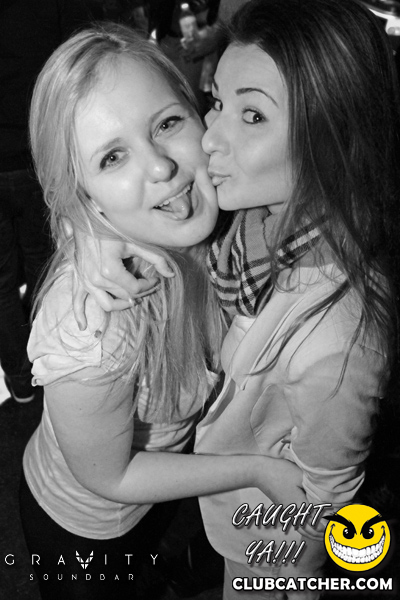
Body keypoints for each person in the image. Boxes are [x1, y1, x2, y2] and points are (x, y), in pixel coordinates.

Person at [71, 1, 400, 598]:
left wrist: (283, 575)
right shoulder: (244, 224)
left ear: (333, 136)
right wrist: (93, 233)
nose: (210, 137)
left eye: (253, 116)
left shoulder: (337, 341)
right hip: (218, 505)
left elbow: (326, 494)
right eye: (217, 102)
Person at [20, 22, 303, 600]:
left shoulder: (226, 218)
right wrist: (258, 469)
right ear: (83, 195)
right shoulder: (94, 328)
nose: (160, 167)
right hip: (85, 532)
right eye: (112, 157)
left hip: (160, 500)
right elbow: (111, 476)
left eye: (168, 124)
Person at [0, 0, 90, 403]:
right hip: (37, 152)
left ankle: (21, 379)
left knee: (3, 281)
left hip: (29, 154)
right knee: (44, 262)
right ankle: (46, 360)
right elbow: (77, 58)